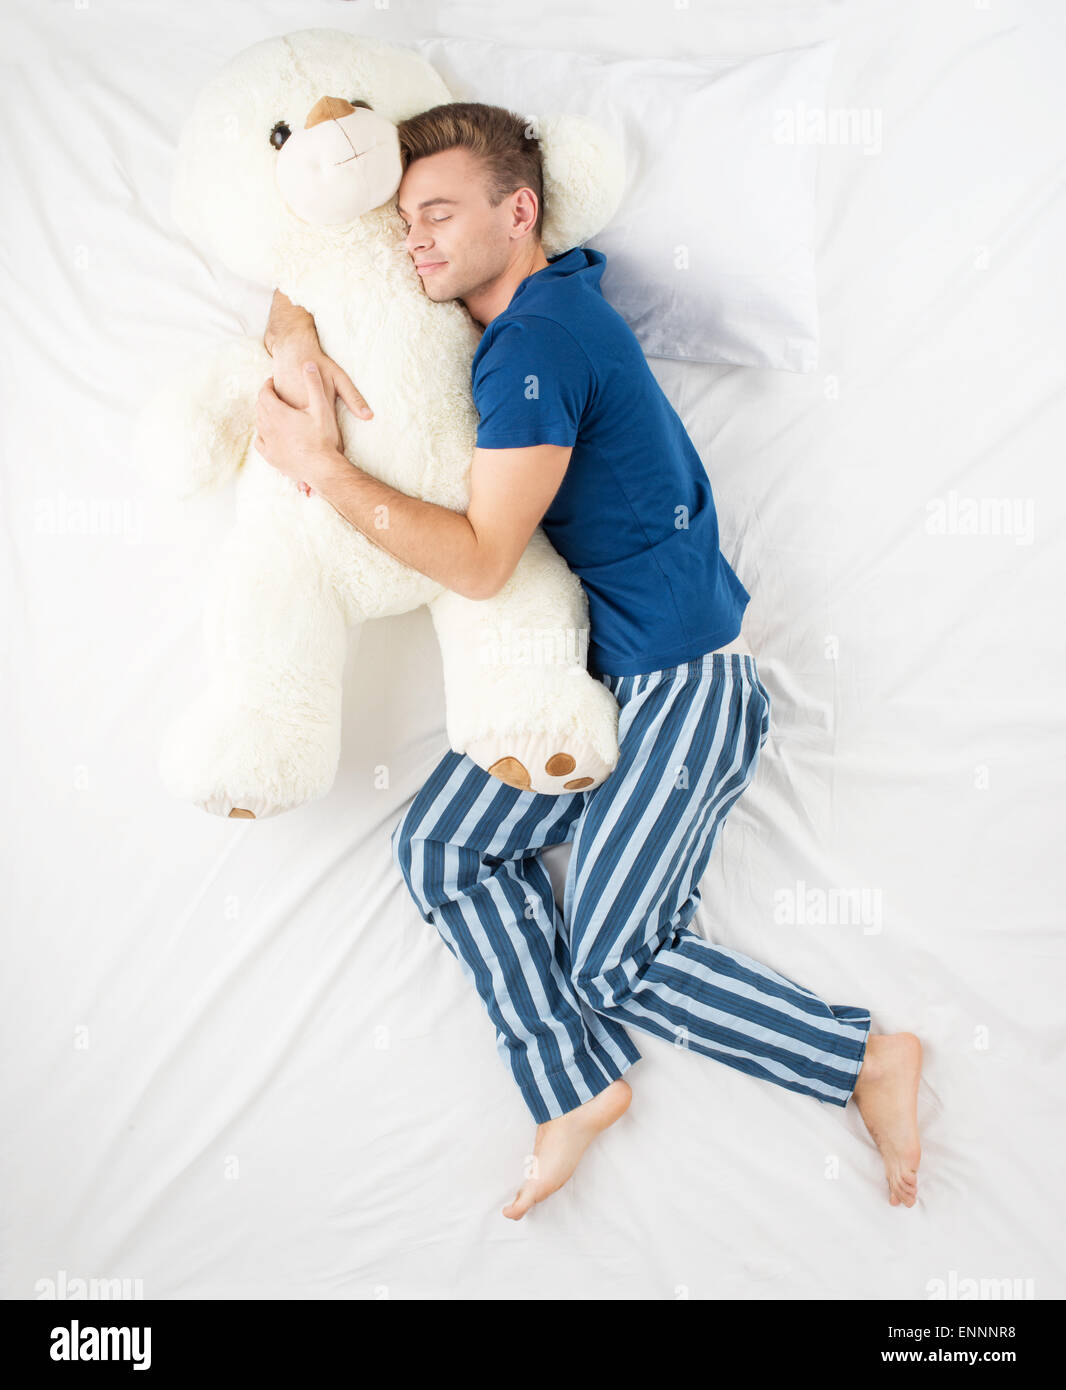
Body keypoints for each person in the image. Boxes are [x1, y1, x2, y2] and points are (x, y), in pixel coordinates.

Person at [254, 102, 922, 1219]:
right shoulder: (537, 304)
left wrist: (321, 467)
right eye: (402, 222)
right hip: (595, 683)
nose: (411, 240)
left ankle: (862, 1057)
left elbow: (476, 561)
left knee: (615, 958)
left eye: (437, 214)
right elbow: (308, 251)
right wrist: (287, 334)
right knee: (442, 846)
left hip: (680, 687)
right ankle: (572, 1081)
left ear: (519, 212)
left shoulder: (536, 344)